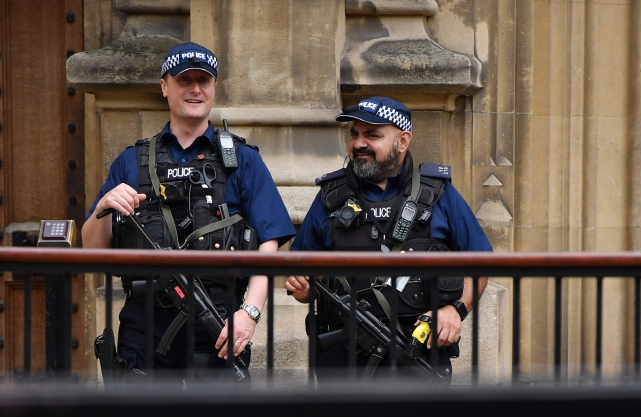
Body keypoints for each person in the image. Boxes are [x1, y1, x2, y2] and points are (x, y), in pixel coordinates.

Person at [82, 42, 295, 375]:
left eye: (204, 80)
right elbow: (92, 249)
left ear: (213, 88)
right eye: (184, 80)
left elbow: (269, 243)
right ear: (164, 86)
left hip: (218, 318)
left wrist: (249, 314)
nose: (195, 89)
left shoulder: (243, 160)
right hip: (146, 322)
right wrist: (104, 208)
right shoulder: (131, 162)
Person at [286, 98, 492, 376]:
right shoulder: (330, 196)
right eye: (354, 134)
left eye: (372, 135)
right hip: (343, 361)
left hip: (417, 355)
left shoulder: (438, 193)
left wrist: (456, 309)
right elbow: (304, 281)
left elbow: (480, 263)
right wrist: (303, 287)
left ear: (403, 141)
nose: (359, 143)